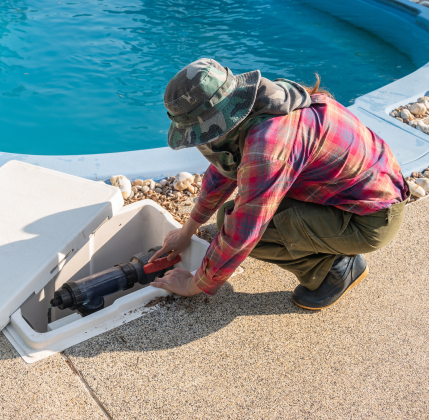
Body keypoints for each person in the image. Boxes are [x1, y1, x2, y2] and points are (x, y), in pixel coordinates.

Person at [149, 58, 409, 310]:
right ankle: (327, 246)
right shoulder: (264, 102)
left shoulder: (267, 146)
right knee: (229, 217)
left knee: (239, 227)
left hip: (370, 220)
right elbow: (223, 170)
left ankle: (334, 270)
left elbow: (244, 232)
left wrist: (194, 284)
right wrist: (187, 231)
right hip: (357, 195)